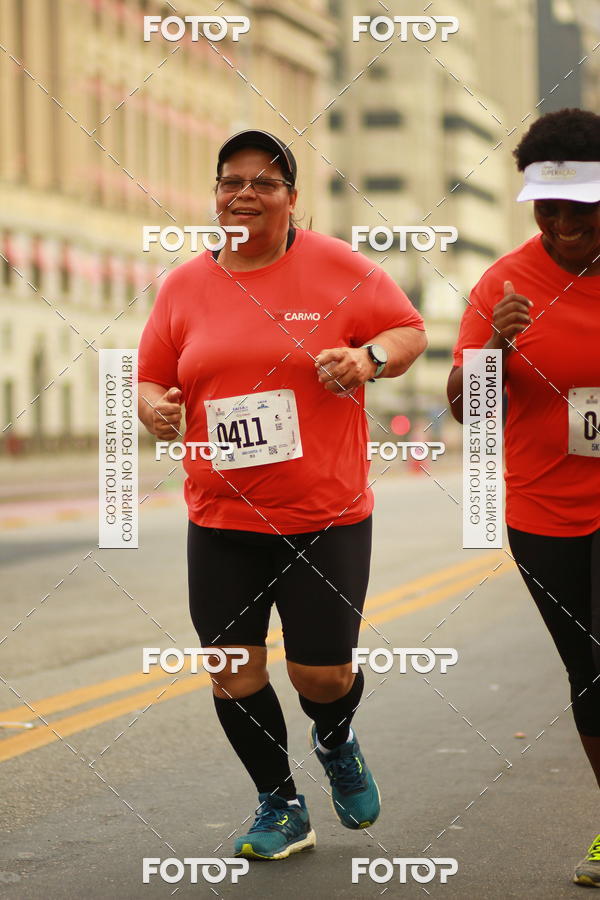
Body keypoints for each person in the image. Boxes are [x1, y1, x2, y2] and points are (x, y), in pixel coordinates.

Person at [137, 129, 426, 860]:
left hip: (322, 514)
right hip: (222, 514)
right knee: (233, 671)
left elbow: (408, 330)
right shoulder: (183, 286)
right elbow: (147, 377)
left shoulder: (338, 266)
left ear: (292, 199)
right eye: (230, 181)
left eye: (264, 182)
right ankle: (280, 803)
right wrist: (152, 407)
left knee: (320, 674)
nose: (244, 194)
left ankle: (335, 739)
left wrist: (367, 358)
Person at [447, 108, 600, 887]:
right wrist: (495, 349)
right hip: (546, 512)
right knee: (592, 673)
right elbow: (464, 407)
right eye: (549, 204)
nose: (565, 220)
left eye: (583, 204)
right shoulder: (503, 282)